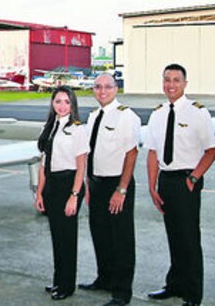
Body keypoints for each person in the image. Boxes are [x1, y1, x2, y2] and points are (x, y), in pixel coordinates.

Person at [146, 63, 215, 306]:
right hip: (165, 181)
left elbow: (211, 150)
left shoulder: (197, 112)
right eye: (167, 79)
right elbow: (153, 153)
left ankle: (193, 294)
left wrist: (194, 178)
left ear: (185, 84)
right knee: (173, 236)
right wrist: (152, 186)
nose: (171, 84)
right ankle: (174, 285)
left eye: (176, 80)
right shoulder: (158, 114)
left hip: (187, 180)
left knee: (189, 239)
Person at [78, 73, 141, 306]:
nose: (102, 91)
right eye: (97, 87)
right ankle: (104, 278)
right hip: (96, 183)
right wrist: (88, 182)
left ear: (116, 89)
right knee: (100, 234)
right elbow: (89, 152)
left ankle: (122, 292)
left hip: (117, 184)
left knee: (121, 239)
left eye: (107, 87)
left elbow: (131, 153)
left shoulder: (126, 116)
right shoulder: (94, 117)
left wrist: (122, 189)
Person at [34, 86, 88, 301]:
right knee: (57, 237)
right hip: (51, 186)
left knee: (67, 237)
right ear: (52, 103)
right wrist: (39, 193)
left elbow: (81, 166)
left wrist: (74, 195)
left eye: (66, 102)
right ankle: (58, 280)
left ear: (72, 105)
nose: (62, 106)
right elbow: (43, 163)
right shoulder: (48, 127)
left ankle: (67, 285)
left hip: (69, 185)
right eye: (58, 101)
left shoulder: (77, 130)